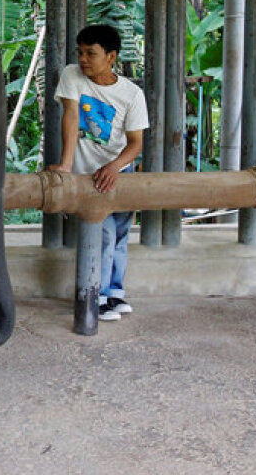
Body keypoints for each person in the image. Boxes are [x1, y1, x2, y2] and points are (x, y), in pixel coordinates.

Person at [47, 24, 148, 322]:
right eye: (80, 52)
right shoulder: (72, 75)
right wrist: (66, 166)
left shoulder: (132, 94)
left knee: (120, 233)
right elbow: (71, 115)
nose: (83, 59)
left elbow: (136, 144)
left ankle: (115, 292)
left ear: (111, 56)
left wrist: (114, 167)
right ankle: (99, 295)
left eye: (91, 53)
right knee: (102, 234)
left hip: (119, 170)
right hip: (87, 175)